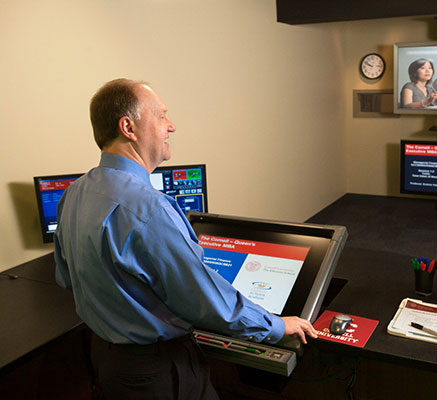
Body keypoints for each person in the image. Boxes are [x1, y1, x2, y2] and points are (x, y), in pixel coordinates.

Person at [54, 78, 318, 399]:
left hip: (108, 362)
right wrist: (277, 327)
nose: (172, 126)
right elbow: (205, 301)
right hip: (157, 371)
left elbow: (67, 279)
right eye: (162, 116)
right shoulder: (148, 208)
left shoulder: (74, 194)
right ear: (129, 127)